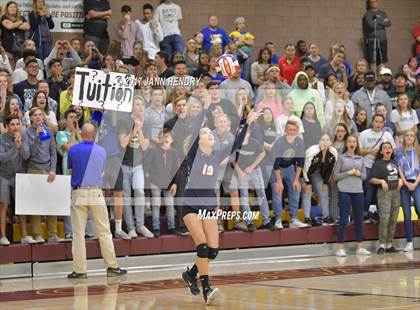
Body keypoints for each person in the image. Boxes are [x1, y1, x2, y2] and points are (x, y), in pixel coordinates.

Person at [180, 104, 259, 305]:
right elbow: (198, 126)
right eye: (206, 134)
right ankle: (206, 288)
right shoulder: (193, 155)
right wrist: (205, 111)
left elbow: (236, 144)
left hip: (207, 206)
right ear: (199, 140)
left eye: (210, 133)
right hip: (190, 206)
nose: (210, 135)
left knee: (213, 251)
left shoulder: (216, 155)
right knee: (203, 247)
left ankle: (190, 274)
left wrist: (246, 123)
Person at [67, 123, 127, 279]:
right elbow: (102, 172)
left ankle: (80, 270)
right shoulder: (102, 151)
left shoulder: (73, 150)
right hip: (96, 191)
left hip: (79, 191)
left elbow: (71, 170)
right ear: (94, 135)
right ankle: (112, 267)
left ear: (81, 133)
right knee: (104, 231)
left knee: (78, 233)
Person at [25, 107, 62, 243]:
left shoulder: (49, 132)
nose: (38, 117)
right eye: (35, 115)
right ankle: (37, 234)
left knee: (51, 202)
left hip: (48, 171)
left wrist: (53, 169)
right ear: (31, 118)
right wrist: (36, 137)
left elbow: (53, 153)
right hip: (33, 169)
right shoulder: (27, 133)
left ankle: (53, 234)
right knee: (36, 203)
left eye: (40, 115)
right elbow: (29, 154)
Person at [0, 115, 37, 245]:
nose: (16, 127)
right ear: (6, 126)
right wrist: (15, 147)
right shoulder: (1, 138)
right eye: (13, 124)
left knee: (22, 206)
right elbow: (2, 158)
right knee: (4, 205)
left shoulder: (23, 136)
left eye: (17, 124)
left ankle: (25, 235)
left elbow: (26, 156)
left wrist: (20, 145)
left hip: (19, 175)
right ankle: (3, 236)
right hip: (3, 175)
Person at [334, 134, 371, 257]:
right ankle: (340, 247)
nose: (352, 143)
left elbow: (365, 176)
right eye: (349, 141)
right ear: (347, 144)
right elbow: (336, 176)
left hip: (358, 191)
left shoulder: (361, 158)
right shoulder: (341, 157)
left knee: (359, 219)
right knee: (344, 219)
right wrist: (348, 173)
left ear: (356, 144)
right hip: (344, 190)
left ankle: (360, 247)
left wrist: (358, 173)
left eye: (354, 142)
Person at [272, 120, 308, 228]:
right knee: (278, 190)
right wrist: (279, 181)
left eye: (294, 130)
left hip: (289, 167)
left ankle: (293, 219)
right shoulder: (280, 142)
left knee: (296, 188)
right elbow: (275, 164)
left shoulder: (300, 142)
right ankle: (278, 219)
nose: (292, 132)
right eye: (289, 130)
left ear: (297, 132)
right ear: (285, 131)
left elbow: (300, 162)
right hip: (276, 169)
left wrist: (296, 180)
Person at [359, 114, 396, 219]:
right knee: (369, 190)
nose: (378, 124)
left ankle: (380, 213)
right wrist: (369, 151)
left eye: (381, 122)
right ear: (372, 121)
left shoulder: (387, 135)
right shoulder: (364, 134)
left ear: (384, 123)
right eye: (376, 121)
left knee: (381, 190)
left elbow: (393, 150)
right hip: (368, 165)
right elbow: (359, 151)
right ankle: (364, 213)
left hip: (382, 167)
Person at [234, 129, 272, 231]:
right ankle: (249, 222)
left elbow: (262, 153)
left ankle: (266, 221)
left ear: (249, 133)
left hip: (255, 170)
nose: (243, 134)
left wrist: (252, 166)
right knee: (244, 196)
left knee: (261, 193)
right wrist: (239, 172)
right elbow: (231, 159)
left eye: (245, 132)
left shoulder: (254, 142)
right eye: (241, 132)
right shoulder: (235, 143)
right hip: (241, 172)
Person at [370, 142, 402, 254]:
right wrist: (381, 181)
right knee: (384, 218)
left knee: (393, 218)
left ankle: (389, 244)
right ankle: (382, 244)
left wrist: (401, 180)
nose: (387, 149)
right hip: (384, 193)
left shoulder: (394, 162)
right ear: (381, 151)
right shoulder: (378, 164)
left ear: (392, 151)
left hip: (396, 193)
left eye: (389, 147)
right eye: (385, 148)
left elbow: (399, 175)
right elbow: (371, 179)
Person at [147, 128, 178, 236]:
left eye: (168, 137)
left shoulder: (174, 152)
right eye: (163, 136)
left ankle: (172, 226)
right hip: (155, 181)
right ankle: (156, 228)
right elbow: (148, 164)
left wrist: (175, 182)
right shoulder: (154, 150)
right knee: (156, 205)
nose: (165, 138)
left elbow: (175, 169)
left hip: (168, 182)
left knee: (170, 205)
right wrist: (149, 178)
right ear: (159, 138)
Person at [302, 134, 337, 225]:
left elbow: (330, 169)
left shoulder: (333, 152)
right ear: (319, 141)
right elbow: (306, 168)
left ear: (331, 142)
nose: (325, 142)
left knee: (324, 192)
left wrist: (325, 182)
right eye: (322, 140)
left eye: (327, 140)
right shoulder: (312, 151)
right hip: (304, 172)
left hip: (318, 173)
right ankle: (307, 217)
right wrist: (308, 182)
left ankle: (326, 216)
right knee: (307, 192)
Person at [395, 130, 420, 253]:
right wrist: (405, 182)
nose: (409, 138)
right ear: (404, 138)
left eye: (412, 136)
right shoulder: (399, 151)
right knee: (406, 213)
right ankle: (409, 242)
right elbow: (399, 168)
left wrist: (415, 183)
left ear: (415, 138)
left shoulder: (418, 150)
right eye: (407, 136)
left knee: (419, 207)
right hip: (405, 184)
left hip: (417, 183)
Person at [363, 0, 391, 66]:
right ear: (369, 3)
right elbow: (372, 25)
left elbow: (388, 23)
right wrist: (382, 21)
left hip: (382, 39)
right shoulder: (368, 14)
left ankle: (381, 74)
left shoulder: (382, 13)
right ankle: (373, 74)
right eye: (372, 2)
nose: (373, 3)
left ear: (377, 2)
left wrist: (376, 21)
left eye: (375, 1)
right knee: (372, 60)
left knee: (382, 59)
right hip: (372, 40)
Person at [229, 17, 254, 81]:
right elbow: (236, 43)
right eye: (240, 23)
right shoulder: (233, 33)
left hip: (247, 54)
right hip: (238, 54)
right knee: (237, 70)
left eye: (243, 23)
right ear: (236, 25)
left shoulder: (248, 34)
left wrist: (242, 41)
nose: (242, 25)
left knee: (246, 72)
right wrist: (245, 41)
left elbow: (251, 43)